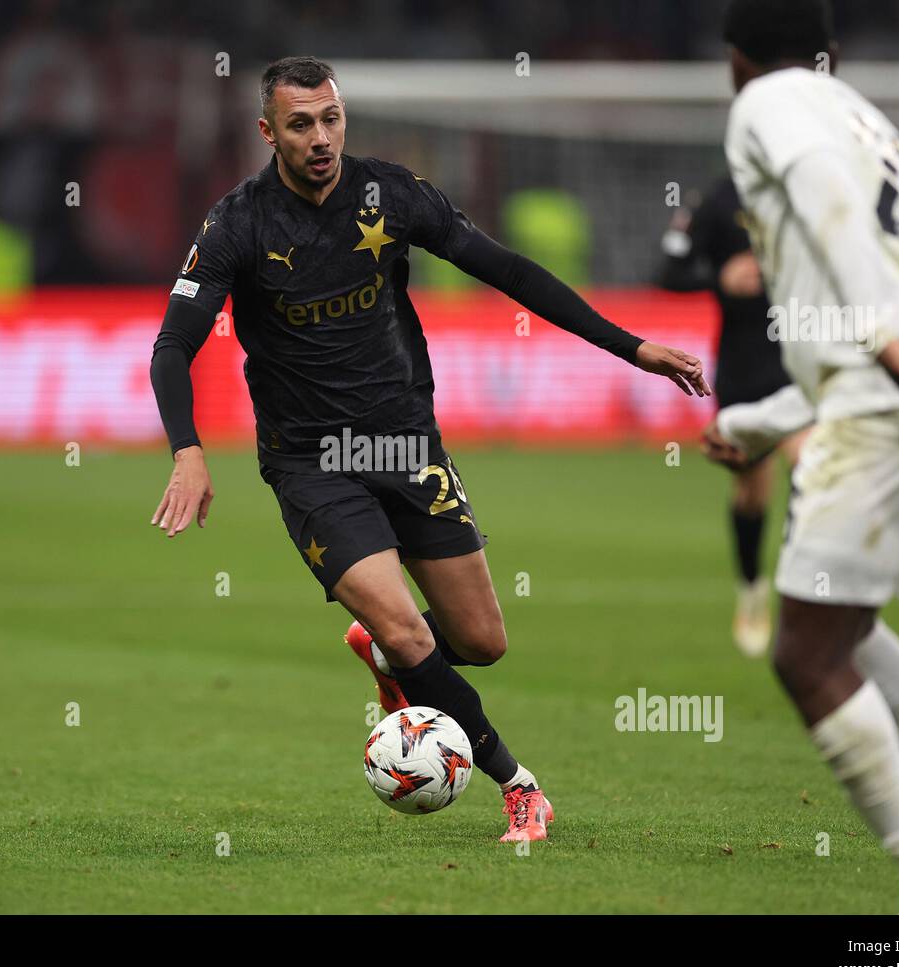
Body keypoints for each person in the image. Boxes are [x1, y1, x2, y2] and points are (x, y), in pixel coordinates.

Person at [150, 56, 710, 843]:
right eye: (301, 123)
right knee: (413, 633)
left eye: (331, 118)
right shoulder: (238, 224)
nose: (321, 138)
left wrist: (632, 347)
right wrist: (188, 449)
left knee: (480, 641)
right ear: (267, 131)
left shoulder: (390, 194)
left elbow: (508, 270)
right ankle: (520, 787)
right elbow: (173, 345)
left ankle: (392, 665)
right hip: (313, 463)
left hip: (405, 443)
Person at [703, 0, 899, 912]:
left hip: (890, 395)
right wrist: (762, 420)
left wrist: (876, 337)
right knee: (851, 631)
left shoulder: (771, 108)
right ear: (830, 54)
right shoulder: (865, 119)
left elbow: (818, 195)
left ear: (735, 62)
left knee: (807, 654)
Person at [657, 175, 805, 656]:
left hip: (805, 358)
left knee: (811, 466)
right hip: (744, 365)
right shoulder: (717, 199)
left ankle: (808, 596)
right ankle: (752, 588)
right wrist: (719, 277)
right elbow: (668, 271)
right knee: (752, 488)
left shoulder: (811, 190)